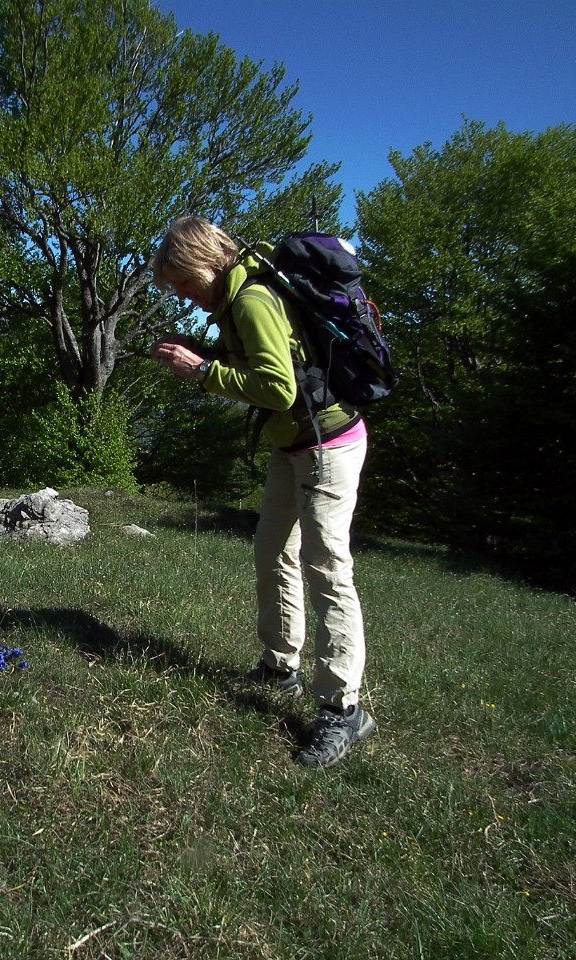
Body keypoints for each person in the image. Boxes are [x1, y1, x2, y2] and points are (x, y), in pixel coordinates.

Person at [149, 215, 375, 769]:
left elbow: (278, 388)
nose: (182, 293)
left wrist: (202, 371)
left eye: (183, 281)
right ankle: (281, 667)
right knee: (273, 550)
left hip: (328, 443)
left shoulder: (249, 301)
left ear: (206, 263)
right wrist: (204, 354)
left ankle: (344, 710)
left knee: (326, 568)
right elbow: (265, 366)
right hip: (295, 443)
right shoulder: (233, 302)